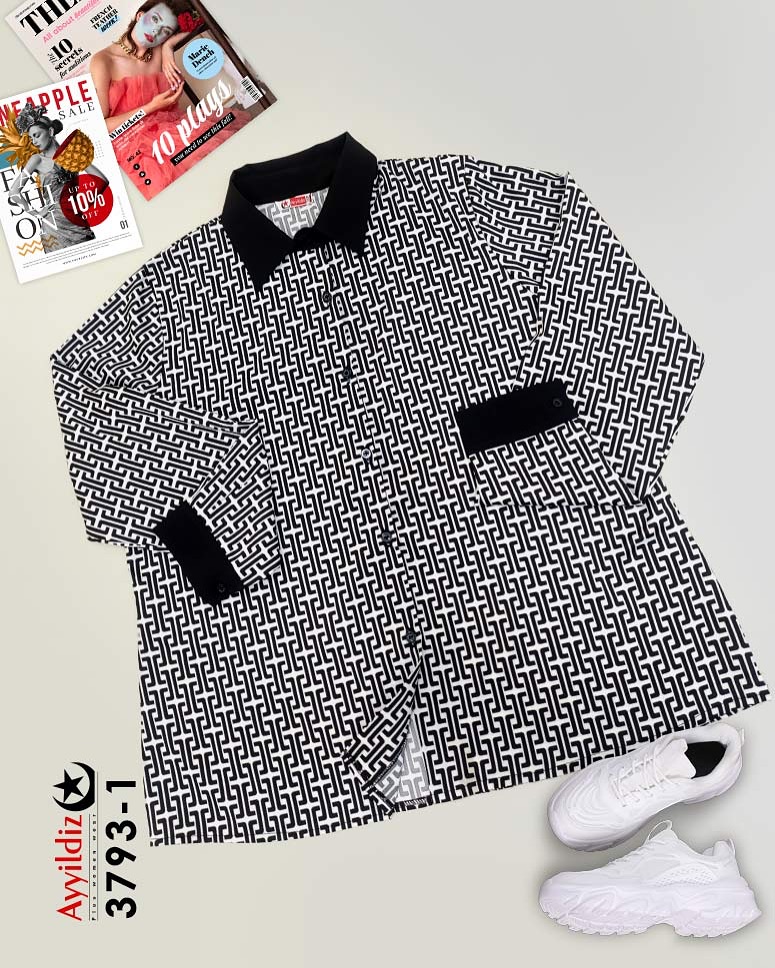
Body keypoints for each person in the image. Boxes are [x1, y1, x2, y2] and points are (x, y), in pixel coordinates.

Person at [90, 1, 254, 199]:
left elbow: (201, 15)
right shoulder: (104, 60)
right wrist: (150, 107)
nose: (156, 31)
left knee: (220, 148)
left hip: (170, 127)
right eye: (155, 19)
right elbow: (100, 125)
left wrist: (168, 46)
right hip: (132, 144)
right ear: (140, 15)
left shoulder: (159, 48)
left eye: (165, 31)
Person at [8, 105, 109, 253]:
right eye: (31, 138)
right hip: (53, 226)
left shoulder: (71, 153)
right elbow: (14, 192)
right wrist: (37, 214)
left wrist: (84, 201)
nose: (34, 141)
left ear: (50, 132)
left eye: (37, 135)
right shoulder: (37, 160)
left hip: (77, 222)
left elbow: (102, 181)